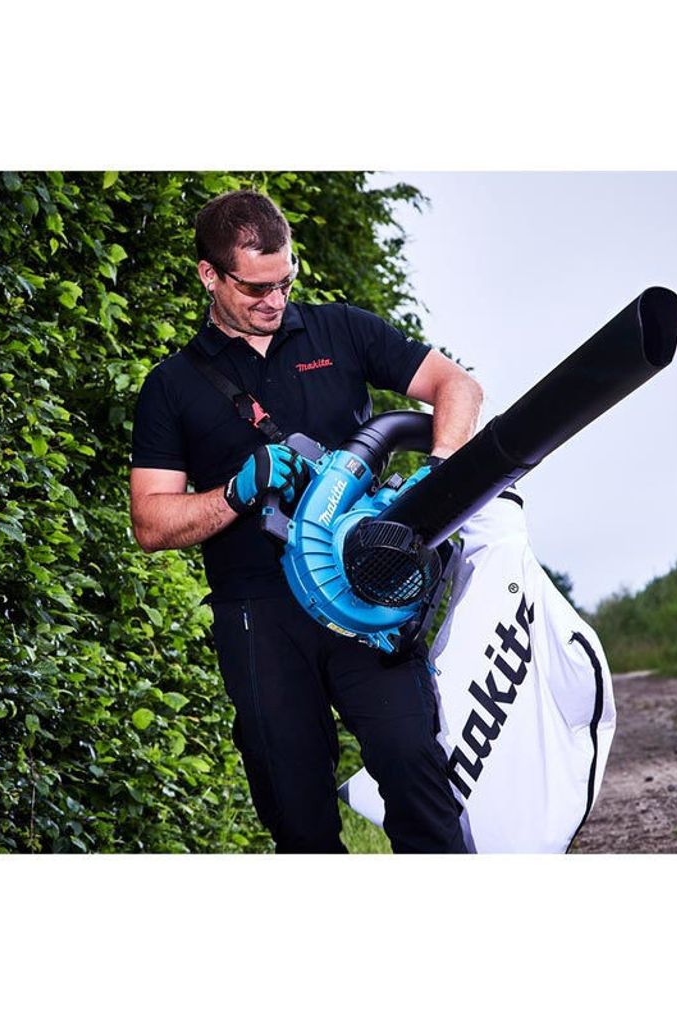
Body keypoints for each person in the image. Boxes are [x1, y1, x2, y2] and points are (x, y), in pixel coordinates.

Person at [129, 189, 483, 853]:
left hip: (364, 589)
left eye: (284, 282)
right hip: (257, 616)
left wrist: (441, 470)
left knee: (413, 768)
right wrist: (237, 492)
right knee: (297, 816)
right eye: (255, 288)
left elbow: (457, 387)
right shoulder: (172, 386)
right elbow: (150, 522)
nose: (274, 301)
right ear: (209, 274)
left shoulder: (341, 330)